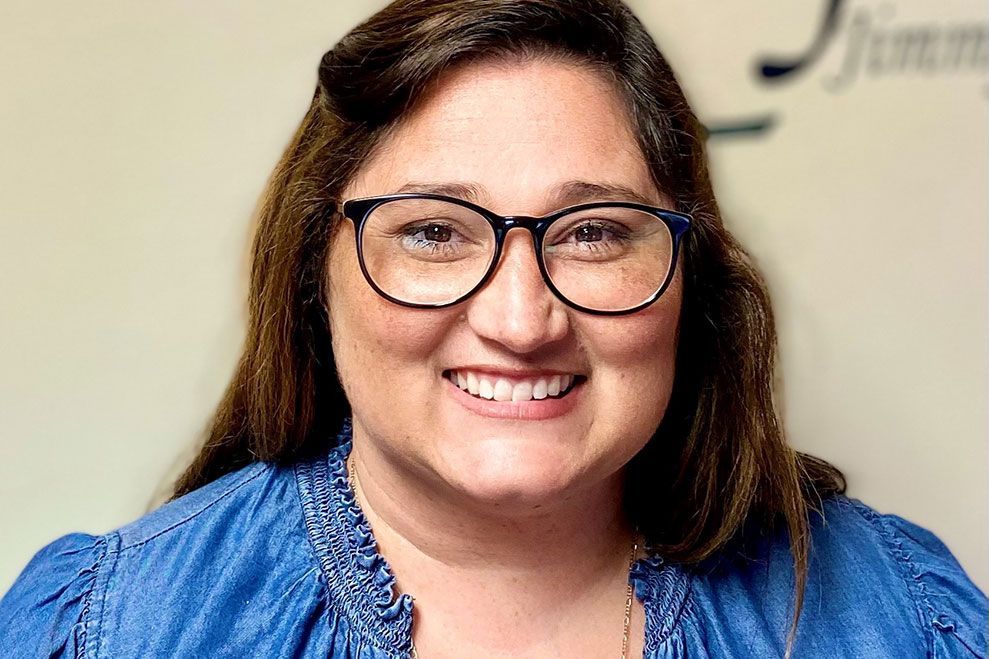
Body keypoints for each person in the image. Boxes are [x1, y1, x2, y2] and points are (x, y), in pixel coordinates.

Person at [1, 0, 985, 657]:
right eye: (432, 231)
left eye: (595, 231)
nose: (520, 319)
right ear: (313, 271)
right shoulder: (106, 625)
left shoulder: (899, 610)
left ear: (692, 274)